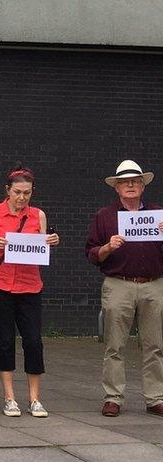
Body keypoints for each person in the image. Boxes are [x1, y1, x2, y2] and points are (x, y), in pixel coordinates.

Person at [0, 165, 60, 418]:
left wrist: (52, 241)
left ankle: (34, 398)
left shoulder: (38, 215)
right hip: (0, 285)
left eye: (28, 193)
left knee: (34, 341)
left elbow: (41, 247)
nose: (22, 198)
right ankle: (9, 397)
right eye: (18, 192)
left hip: (30, 285)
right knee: (4, 341)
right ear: (7, 190)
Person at [85, 160, 163, 418]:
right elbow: (92, 253)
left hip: (154, 284)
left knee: (155, 344)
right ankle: (113, 397)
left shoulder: (157, 213)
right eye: (125, 182)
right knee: (114, 344)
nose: (131, 185)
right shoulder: (104, 216)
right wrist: (108, 247)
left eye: (135, 181)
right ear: (116, 187)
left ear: (143, 185)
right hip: (119, 284)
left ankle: (155, 398)